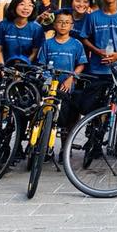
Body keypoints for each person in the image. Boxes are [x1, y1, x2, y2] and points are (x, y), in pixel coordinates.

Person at [38, 9, 88, 150]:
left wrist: (71, 78)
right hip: (50, 88)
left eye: (67, 22)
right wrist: (46, 79)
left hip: (67, 88)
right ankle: (44, 148)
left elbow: (81, 64)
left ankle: (65, 149)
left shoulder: (76, 44)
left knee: (67, 120)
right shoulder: (47, 44)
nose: (63, 25)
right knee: (47, 116)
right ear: (54, 24)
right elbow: (42, 64)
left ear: (72, 25)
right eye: (60, 22)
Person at [0, 0, 46, 65]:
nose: (26, 8)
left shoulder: (37, 28)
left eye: (30, 5)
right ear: (14, 5)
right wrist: (1, 68)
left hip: (27, 70)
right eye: (22, 4)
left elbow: (35, 53)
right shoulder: (3, 25)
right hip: (5, 69)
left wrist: (22, 69)